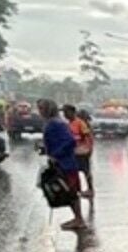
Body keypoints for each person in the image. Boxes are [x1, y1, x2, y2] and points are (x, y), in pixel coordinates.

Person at [38, 99, 86, 230]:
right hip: (61, 163)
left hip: (66, 164)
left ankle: (79, 219)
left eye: (42, 108)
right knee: (68, 191)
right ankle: (78, 218)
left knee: (70, 191)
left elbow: (70, 141)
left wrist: (56, 154)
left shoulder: (56, 124)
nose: (40, 111)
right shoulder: (53, 123)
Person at [62, 104, 94, 198]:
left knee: (85, 171)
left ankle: (90, 189)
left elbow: (87, 136)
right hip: (73, 152)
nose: (65, 115)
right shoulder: (69, 124)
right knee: (73, 171)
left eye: (66, 112)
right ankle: (75, 190)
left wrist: (89, 149)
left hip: (82, 152)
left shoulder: (80, 123)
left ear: (72, 112)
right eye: (64, 113)